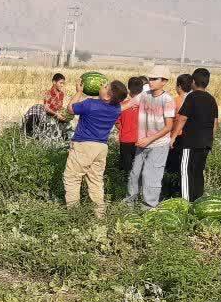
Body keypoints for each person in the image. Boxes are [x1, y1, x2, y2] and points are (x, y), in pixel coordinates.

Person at [63, 79, 130, 217]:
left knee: (73, 178)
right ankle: (99, 214)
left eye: (105, 86)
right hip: (101, 148)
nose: (101, 86)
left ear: (107, 96)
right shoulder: (116, 109)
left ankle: (74, 214)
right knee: (96, 181)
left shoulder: (90, 104)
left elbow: (70, 109)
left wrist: (79, 92)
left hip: (84, 146)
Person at [125, 65, 177, 208]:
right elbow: (126, 105)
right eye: (150, 79)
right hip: (143, 143)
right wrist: (104, 107)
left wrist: (149, 139)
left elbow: (168, 127)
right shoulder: (145, 94)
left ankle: (149, 207)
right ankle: (129, 204)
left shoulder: (167, 100)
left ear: (164, 81)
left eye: (154, 79)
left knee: (150, 176)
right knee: (135, 174)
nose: (151, 81)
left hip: (158, 144)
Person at [173, 67, 219, 200]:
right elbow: (215, 123)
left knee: (186, 171)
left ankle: (186, 203)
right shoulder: (211, 99)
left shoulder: (191, 97)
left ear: (193, 81)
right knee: (198, 172)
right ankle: (198, 201)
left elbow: (182, 118)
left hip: (190, 142)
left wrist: (173, 137)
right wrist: (210, 140)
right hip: (205, 143)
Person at [162, 74, 194, 199]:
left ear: (179, 86)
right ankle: (181, 192)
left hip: (175, 138)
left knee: (171, 168)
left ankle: (169, 193)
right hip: (189, 139)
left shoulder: (174, 101)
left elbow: (168, 122)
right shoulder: (193, 101)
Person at [22, 73, 69, 140]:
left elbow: (60, 107)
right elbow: (46, 108)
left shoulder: (61, 94)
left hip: (56, 116)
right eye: (60, 83)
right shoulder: (48, 93)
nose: (62, 85)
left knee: (67, 128)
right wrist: (56, 114)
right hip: (49, 116)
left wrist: (63, 114)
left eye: (63, 83)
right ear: (54, 82)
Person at [115, 76, 146, 174]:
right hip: (142, 140)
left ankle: (126, 182)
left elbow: (117, 123)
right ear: (142, 89)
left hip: (126, 140)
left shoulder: (122, 105)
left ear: (128, 89)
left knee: (126, 167)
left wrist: (124, 129)